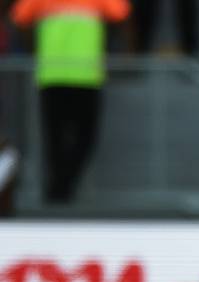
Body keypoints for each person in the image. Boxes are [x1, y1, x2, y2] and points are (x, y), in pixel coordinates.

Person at [11, 0, 130, 204]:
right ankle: (63, 186)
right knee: (83, 137)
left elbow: (19, 18)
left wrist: (34, 47)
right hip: (85, 74)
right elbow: (121, 14)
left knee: (56, 139)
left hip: (53, 73)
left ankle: (59, 188)